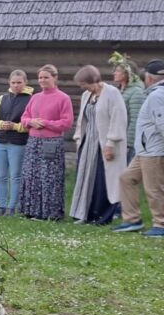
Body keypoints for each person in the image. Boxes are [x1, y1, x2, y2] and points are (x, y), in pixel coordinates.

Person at [69, 66, 127, 225]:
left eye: (83, 83)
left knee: (103, 180)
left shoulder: (112, 93)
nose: (82, 87)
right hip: (89, 143)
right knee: (86, 179)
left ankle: (102, 216)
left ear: (92, 80)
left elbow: (118, 118)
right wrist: (78, 138)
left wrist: (110, 143)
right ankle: (85, 214)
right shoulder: (86, 95)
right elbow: (82, 119)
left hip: (105, 143)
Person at [115, 59, 164, 237]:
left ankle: (161, 224)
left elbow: (162, 123)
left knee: (154, 188)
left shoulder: (157, 95)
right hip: (145, 149)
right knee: (126, 178)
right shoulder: (156, 94)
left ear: (149, 78)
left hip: (154, 151)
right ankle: (132, 220)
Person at [18, 64, 75, 221]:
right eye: (40, 77)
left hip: (51, 142)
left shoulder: (63, 98)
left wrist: (46, 123)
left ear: (55, 78)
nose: (42, 80)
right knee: (31, 175)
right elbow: (24, 117)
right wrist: (31, 121)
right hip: (33, 141)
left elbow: (67, 123)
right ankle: (31, 210)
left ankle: (50, 213)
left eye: (46, 77)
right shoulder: (35, 97)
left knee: (49, 177)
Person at [0, 70, 33, 216]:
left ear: (25, 83)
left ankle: (12, 206)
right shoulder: (2, 98)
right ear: (9, 83)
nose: (16, 85)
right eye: (13, 82)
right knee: (1, 175)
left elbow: (30, 123)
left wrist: (15, 126)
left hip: (18, 142)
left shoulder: (30, 100)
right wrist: (1, 124)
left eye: (19, 82)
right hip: (1, 142)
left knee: (16, 176)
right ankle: (1, 206)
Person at [111, 54, 146, 163]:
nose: (114, 73)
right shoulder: (118, 90)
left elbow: (135, 120)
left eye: (118, 71)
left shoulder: (136, 92)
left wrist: (128, 144)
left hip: (127, 143)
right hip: (117, 139)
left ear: (127, 74)